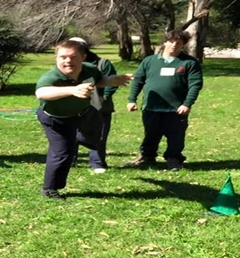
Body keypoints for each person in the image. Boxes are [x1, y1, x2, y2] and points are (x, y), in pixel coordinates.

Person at [35, 40, 132, 200]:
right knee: (62, 153)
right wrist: (73, 90)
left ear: (83, 57)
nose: (68, 61)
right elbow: (42, 92)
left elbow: (99, 80)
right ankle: (49, 189)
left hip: (81, 114)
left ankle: (80, 139)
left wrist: (112, 80)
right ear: (56, 58)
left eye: (73, 57)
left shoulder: (89, 69)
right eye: (63, 57)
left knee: (92, 137)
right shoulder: (52, 76)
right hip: (55, 119)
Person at [125, 29, 203, 171]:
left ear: (183, 45)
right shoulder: (150, 61)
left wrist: (187, 104)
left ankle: (174, 159)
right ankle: (147, 157)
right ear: (165, 42)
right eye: (171, 41)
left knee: (176, 136)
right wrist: (132, 99)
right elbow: (138, 81)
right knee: (150, 134)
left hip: (176, 108)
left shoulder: (189, 63)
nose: (174, 45)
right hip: (151, 106)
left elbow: (195, 85)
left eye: (178, 43)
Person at [69, 37, 118, 174]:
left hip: (99, 108)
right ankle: (70, 160)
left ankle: (97, 162)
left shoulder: (102, 63)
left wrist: (105, 97)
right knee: (72, 134)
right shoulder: (68, 65)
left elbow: (112, 81)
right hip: (73, 107)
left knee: (99, 135)